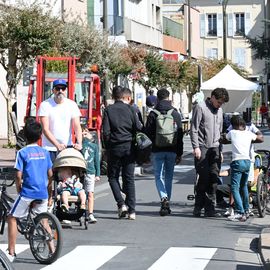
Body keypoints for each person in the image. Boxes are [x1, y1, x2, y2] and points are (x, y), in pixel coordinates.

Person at [7, 120, 53, 262]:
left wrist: (19, 188)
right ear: (40, 136)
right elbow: (50, 175)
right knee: (44, 221)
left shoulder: (22, 152)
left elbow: (18, 175)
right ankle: (52, 250)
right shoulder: (45, 153)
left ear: (25, 136)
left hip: (28, 192)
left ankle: (12, 251)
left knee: (12, 217)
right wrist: (49, 193)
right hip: (42, 193)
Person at [102, 86, 143, 220]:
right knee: (129, 178)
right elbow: (138, 127)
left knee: (112, 177)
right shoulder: (132, 109)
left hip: (114, 147)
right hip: (129, 147)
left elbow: (106, 132)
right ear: (126, 97)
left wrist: (108, 147)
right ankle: (132, 211)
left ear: (113, 97)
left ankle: (121, 204)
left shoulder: (108, 110)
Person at [190, 87, 229, 217]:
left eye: (222, 103)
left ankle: (210, 208)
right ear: (212, 97)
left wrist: (221, 150)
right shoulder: (200, 107)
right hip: (202, 147)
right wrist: (196, 147)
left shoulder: (220, 111)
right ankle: (198, 206)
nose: (220, 105)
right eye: (219, 102)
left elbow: (220, 131)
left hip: (216, 147)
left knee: (214, 177)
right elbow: (194, 129)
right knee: (204, 177)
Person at [145, 88, 183, 216]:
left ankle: (163, 197)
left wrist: (147, 151)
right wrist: (180, 153)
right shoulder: (175, 113)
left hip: (157, 150)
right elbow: (180, 135)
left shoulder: (153, 114)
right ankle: (167, 201)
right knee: (169, 177)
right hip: (172, 150)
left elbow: (147, 134)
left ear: (158, 98)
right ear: (168, 97)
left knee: (158, 175)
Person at [226, 116, 263, 221]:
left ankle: (240, 212)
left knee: (234, 188)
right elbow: (260, 138)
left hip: (237, 162)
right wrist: (258, 134)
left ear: (233, 125)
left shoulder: (232, 132)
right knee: (244, 186)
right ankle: (247, 210)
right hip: (247, 162)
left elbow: (224, 138)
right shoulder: (248, 133)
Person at [38, 79, 82, 163]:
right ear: (53, 90)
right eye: (58, 88)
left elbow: (77, 126)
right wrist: (57, 145)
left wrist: (79, 143)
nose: (60, 91)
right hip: (49, 148)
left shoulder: (72, 105)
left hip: (67, 147)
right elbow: (45, 129)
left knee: (66, 175)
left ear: (66, 90)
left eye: (63, 88)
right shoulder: (45, 105)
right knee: (50, 175)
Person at [81, 127, 100, 223]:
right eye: (82, 133)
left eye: (86, 133)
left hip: (91, 172)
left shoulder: (94, 146)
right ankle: (81, 212)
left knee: (90, 194)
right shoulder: (80, 145)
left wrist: (98, 174)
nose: (84, 135)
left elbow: (97, 160)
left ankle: (91, 213)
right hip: (81, 172)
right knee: (81, 193)